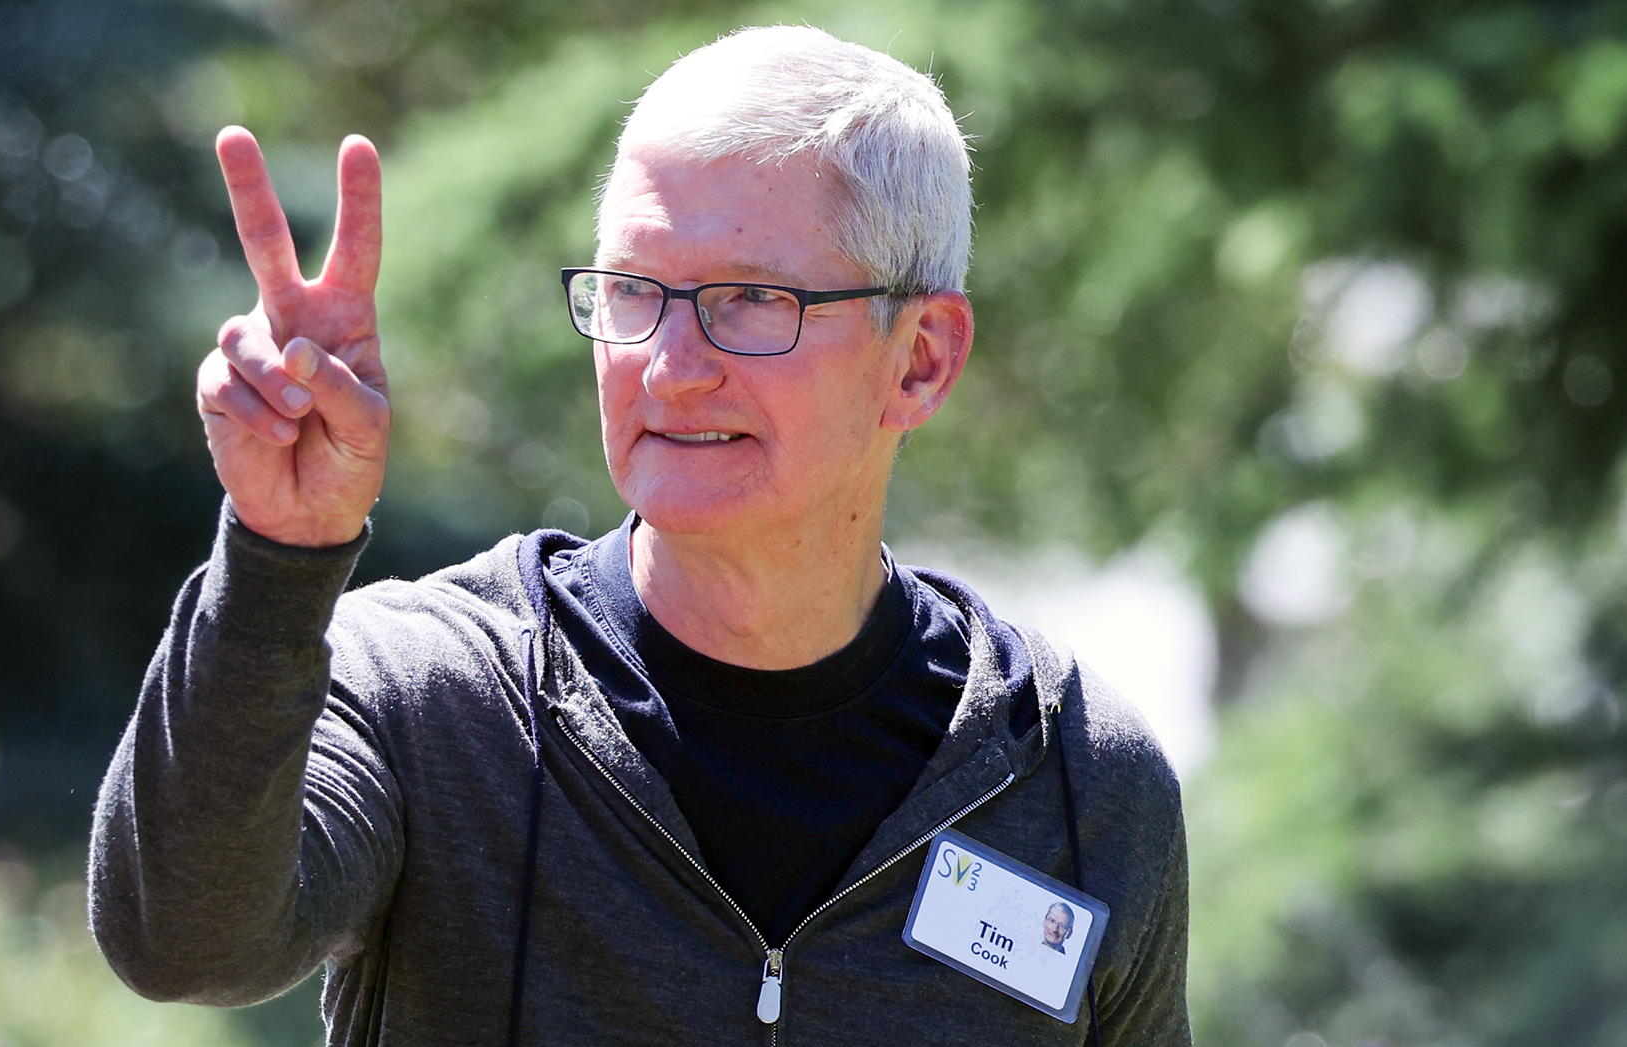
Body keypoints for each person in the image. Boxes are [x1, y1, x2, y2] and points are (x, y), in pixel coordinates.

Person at [88, 24, 1190, 1046]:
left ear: (922, 359)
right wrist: (279, 553)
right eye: (633, 291)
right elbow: (180, 942)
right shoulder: (431, 693)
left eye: (751, 299)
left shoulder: (1081, 786)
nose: (668, 363)